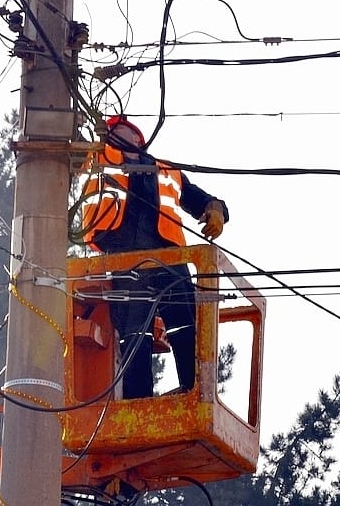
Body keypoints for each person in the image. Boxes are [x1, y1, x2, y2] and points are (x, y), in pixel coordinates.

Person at [81, 115, 229, 399]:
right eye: (113, 131)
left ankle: (194, 390)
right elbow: (64, 162)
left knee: (185, 327)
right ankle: (139, 401)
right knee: (135, 336)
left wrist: (215, 210)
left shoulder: (167, 172)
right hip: (125, 258)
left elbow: (201, 199)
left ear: (140, 140)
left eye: (124, 131)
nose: (118, 135)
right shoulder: (96, 161)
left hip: (169, 257)